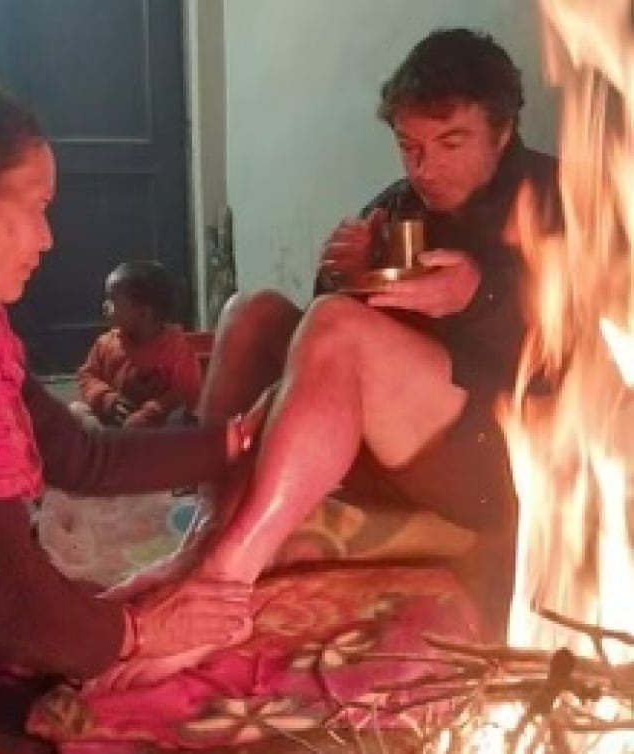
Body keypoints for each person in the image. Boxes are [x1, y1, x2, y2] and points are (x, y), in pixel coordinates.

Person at [0, 78, 260, 752]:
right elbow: (2, 600)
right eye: (38, 205)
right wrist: (138, 632)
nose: (47, 238)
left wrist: (234, 441)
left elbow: (77, 453)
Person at [193, 28, 560, 640]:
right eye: (408, 144)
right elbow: (321, 340)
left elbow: (596, 354)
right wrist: (343, 275)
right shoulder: (400, 206)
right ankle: (205, 524)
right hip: (388, 431)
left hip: (497, 454)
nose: (425, 167)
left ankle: (222, 582)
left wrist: (480, 295)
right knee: (252, 310)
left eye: (451, 142)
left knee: (339, 326)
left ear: (503, 131)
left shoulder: (564, 199)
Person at [71, 260, 202, 428]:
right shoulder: (105, 344)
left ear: (143, 313)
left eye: (112, 299)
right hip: (113, 420)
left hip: (156, 425)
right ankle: (106, 446)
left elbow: (186, 391)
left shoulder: (176, 348)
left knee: (179, 417)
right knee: (75, 411)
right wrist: (105, 399)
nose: (105, 305)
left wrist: (150, 414)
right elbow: (87, 376)